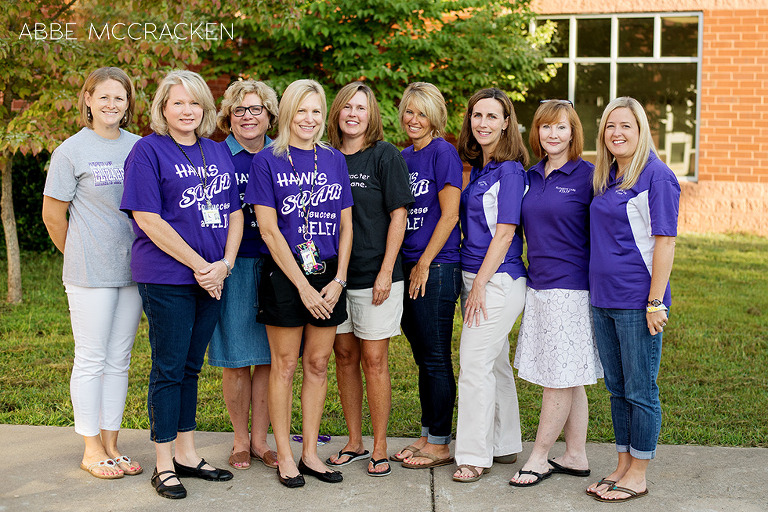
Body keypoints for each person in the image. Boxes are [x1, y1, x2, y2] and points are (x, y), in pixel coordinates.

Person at [120, 70, 243, 499]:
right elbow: (147, 219)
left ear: (205, 110)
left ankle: (188, 454)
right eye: (178, 103)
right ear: (162, 109)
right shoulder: (147, 151)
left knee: (192, 366)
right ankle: (164, 463)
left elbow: (234, 214)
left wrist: (224, 265)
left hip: (213, 277)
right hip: (168, 277)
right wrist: (200, 266)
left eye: (194, 103)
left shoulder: (217, 151)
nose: (187, 110)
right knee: (169, 367)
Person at [245, 79, 354, 488]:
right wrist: (302, 287)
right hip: (286, 275)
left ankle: (310, 452)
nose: (308, 119)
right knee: (285, 364)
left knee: (318, 363)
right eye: (301, 110)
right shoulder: (267, 161)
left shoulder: (333, 159)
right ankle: (285, 455)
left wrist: (338, 279)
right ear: (288, 112)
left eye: (316, 111)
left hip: (327, 274)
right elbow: (270, 231)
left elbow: (346, 225)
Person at [42, 67, 143, 480]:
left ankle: (112, 442)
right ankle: (90, 447)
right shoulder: (71, 151)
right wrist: (79, 256)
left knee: (119, 360)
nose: (111, 105)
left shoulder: (141, 148)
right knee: (91, 358)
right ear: (87, 100)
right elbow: (52, 215)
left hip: (134, 270)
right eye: (103, 97)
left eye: (119, 98)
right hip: (90, 274)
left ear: (128, 104)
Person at [586, 97, 680, 503]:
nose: (617, 133)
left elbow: (666, 240)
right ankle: (622, 463)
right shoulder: (607, 176)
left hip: (637, 301)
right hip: (602, 299)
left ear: (641, 131)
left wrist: (656, 301)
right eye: (610, 126)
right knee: (617, 387)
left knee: (641, 389)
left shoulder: (656, 177)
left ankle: (638, 472)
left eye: (626, 126)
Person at [509, 100, 603, 486]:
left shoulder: (590, 177)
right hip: (540, 285)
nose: (552, 134)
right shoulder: (531, 176)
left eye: (561, 128)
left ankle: (540, 456)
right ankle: (576, 455)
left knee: (557, 379)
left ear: (573, 133)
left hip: (572, 289)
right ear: (537, 133)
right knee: (571, 376)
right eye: (545, 127)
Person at [323, 82, 413, 476]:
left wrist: (385, 271)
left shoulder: (384, 155)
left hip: (377, 276)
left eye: (361, 107)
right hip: (334, 278)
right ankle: (355, 441)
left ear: (371, 114)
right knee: (344, 358)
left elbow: (399, 216)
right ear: (337, 113)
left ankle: (379, 446)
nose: (353, 114)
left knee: (374, 360)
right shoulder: (323, 157)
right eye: (347, 107)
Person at [452, 88, 529, 483]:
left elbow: (505, 234)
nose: (482, 123)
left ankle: (472, 455)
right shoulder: (482, 168)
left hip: (497, 280)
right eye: (476, 115)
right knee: (495, 363)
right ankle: (504, 444)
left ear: (506, 122)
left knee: (474, 365)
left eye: (491, 116)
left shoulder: (511, 170)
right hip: (476, 276)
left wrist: (479, 283)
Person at [390, 82, 463, 470]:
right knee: (422, 358)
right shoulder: (403, 156)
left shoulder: (443, 153)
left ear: (435, 116)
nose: (413, 119)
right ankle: (426, 433)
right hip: (407, 266)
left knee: (435, 357)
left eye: (421, 113)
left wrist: (423, 263)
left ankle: (439, 443)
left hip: (435, 268)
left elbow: (450, 216)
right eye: (408, 111)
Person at [208, 79, 279, 471]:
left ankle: (261, 441)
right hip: (231, 266)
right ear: (228, 117)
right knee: (236, 359)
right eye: (239, 110)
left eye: (255, 109)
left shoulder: (285, 154)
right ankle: (238, 440)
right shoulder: (214, 155)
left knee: (269, 359)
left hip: (277, 265)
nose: (248, 117)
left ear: (269, 115)